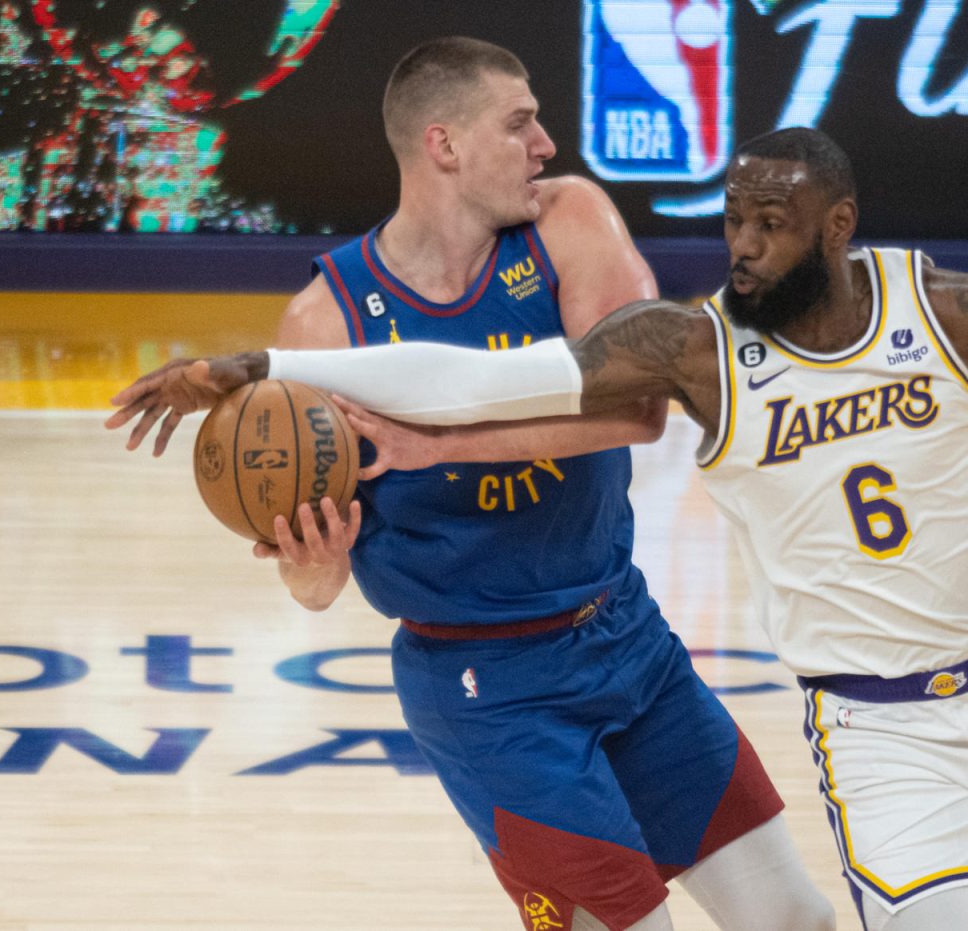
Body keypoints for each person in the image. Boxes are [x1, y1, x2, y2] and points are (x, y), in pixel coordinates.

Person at [109, 127, 968, 931]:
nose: (743, 246)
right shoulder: (690, 351)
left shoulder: (958, 310)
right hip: (881, 729)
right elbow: (466, 384)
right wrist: (250, 359)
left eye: (771, 224)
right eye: (730, 222)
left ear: (836, 226)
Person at [107, 42, 833, 931]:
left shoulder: (569, 220)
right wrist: (312, 560)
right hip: (485, 687)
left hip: (624, 632)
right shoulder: (328, 321)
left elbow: (643, 408)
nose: (545, 143)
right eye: (520, 123)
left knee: (796, 918)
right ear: (444, 145)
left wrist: (433, 445)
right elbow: (316, 585)